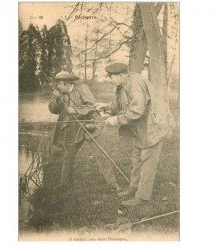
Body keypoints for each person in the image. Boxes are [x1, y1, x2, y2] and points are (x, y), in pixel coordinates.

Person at [94, 63, 175, 207]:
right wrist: (106, 106)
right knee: (136, 159)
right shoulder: (124, 84)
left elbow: (137, 109)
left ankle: (142, 197)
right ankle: (133, 189)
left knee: (147, 162)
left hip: (154, 125)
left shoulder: (135, 83)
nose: (110, 80)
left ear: (120, 75)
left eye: (111, 77)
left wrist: (116, 119)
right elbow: (124, 105)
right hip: (141, 127)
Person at [48, 70, 121, 199]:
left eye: (59, 84)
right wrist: (55, 97)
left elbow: (92, 106)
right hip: (74, 129)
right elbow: (54, 110)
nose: (57, 87)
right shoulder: (61, 94)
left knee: (100, 155)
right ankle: (64, 185)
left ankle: (113, 183)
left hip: (90, 125)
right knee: (68, 156)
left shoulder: (82, 88)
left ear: (66, 83)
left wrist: (76, 110)